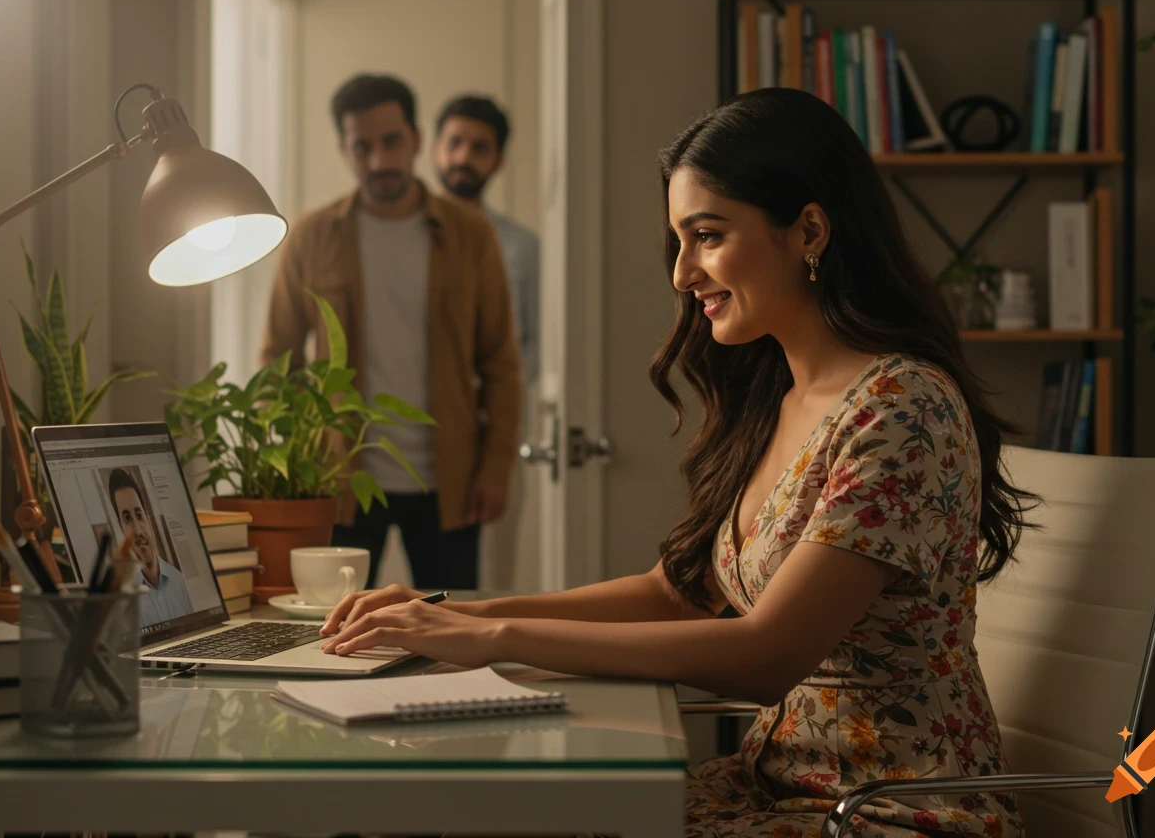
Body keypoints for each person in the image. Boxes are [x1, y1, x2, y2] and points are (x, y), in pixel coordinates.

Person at [316, 88, 1032, 838]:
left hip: (891, 813)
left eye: (708, 236)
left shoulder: (902, 407)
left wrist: (495, 641)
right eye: (680, 241)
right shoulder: (783, 397)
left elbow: (765, 656)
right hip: (776, 790)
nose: (683, 273)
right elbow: (676, 594)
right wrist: (454, 614)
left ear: (809, 230)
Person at [261, 73, 521, 591]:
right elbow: (278, 360)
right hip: (340, 482)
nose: (379, 160)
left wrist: (495, 467)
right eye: (362, 146)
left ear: (417, 140)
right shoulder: (312, 236)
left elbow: (500, 361)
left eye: (391, 141)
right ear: (343, 149)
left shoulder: (470, 234)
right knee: (330, 633)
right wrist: (294, 465)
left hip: (449, 480)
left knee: (449, 632)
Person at [432, 95, 540, 384]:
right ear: (435, 148)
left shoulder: (524, 247)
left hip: (491, 417)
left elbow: (538, 348)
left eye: (479, 148)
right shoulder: (401, 239)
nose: (463, 158)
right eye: (454, 143)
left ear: (498, 160)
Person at [107, 467, 192, 624]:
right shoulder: (122, 599)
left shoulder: (179, 581)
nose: (138, 530)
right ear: (121, 528)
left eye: (139, 516)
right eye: (127, 519)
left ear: (148, 519)